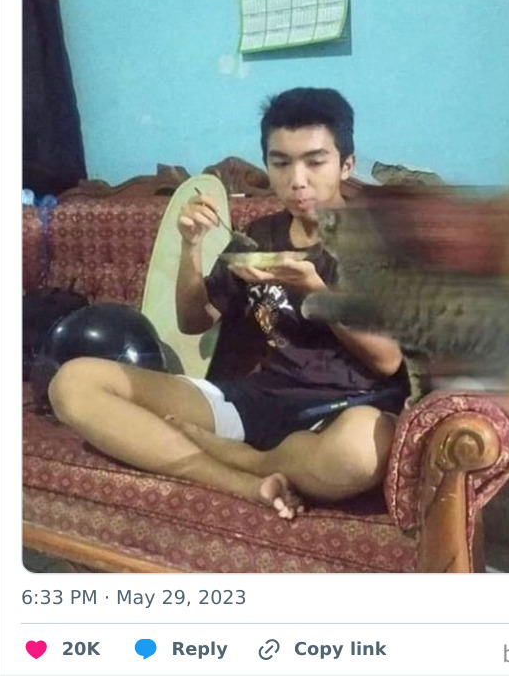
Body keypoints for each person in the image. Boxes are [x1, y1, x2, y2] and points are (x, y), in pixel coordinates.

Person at [48, 88, 408, 519]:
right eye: (281, 163)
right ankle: (239, 481)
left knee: (364, 449)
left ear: (346, 164)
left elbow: (388, 360)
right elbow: (194, 320)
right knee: (74, 382)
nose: (297, 180)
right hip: (259, 399)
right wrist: (191, 246)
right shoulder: (260, 236)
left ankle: (246, 459)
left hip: (343, 409)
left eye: (315, 162)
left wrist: (314, 290)